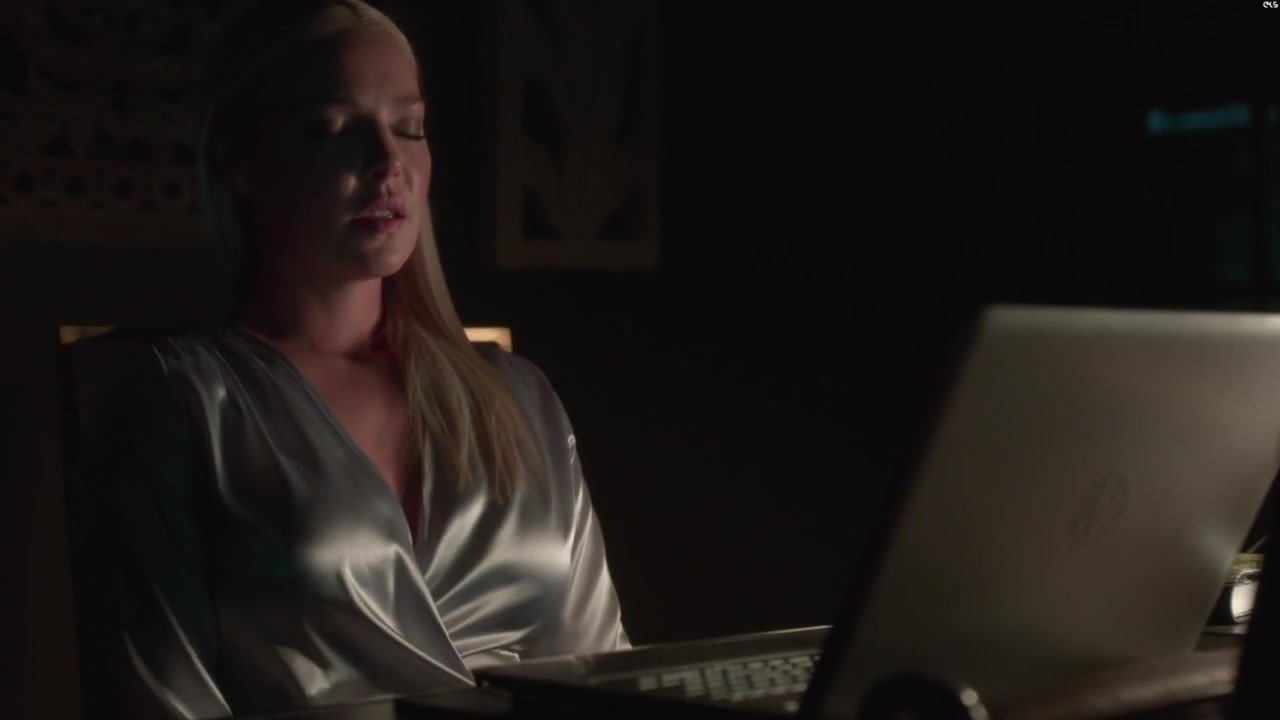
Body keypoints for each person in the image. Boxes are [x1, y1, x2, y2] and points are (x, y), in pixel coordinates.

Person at [97, 1, 629, 717]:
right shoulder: (186, 399)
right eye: (331, 129)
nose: (388, 164)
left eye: (409, 128)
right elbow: (163, 699)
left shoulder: (519, 397)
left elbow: (605, 667)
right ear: (237, 160)